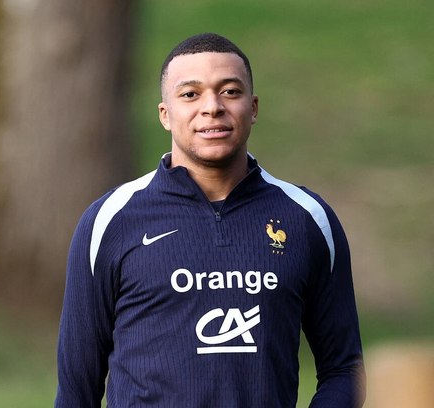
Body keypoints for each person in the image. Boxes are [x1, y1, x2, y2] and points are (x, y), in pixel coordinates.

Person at [55, 32, 365, 407]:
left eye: (230, 91)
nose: (212, 107)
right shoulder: (110, 221)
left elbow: (344, 369)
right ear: (165, 114)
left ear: (252, 108)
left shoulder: (307, 219)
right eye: (190, 94)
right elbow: (76, 389)